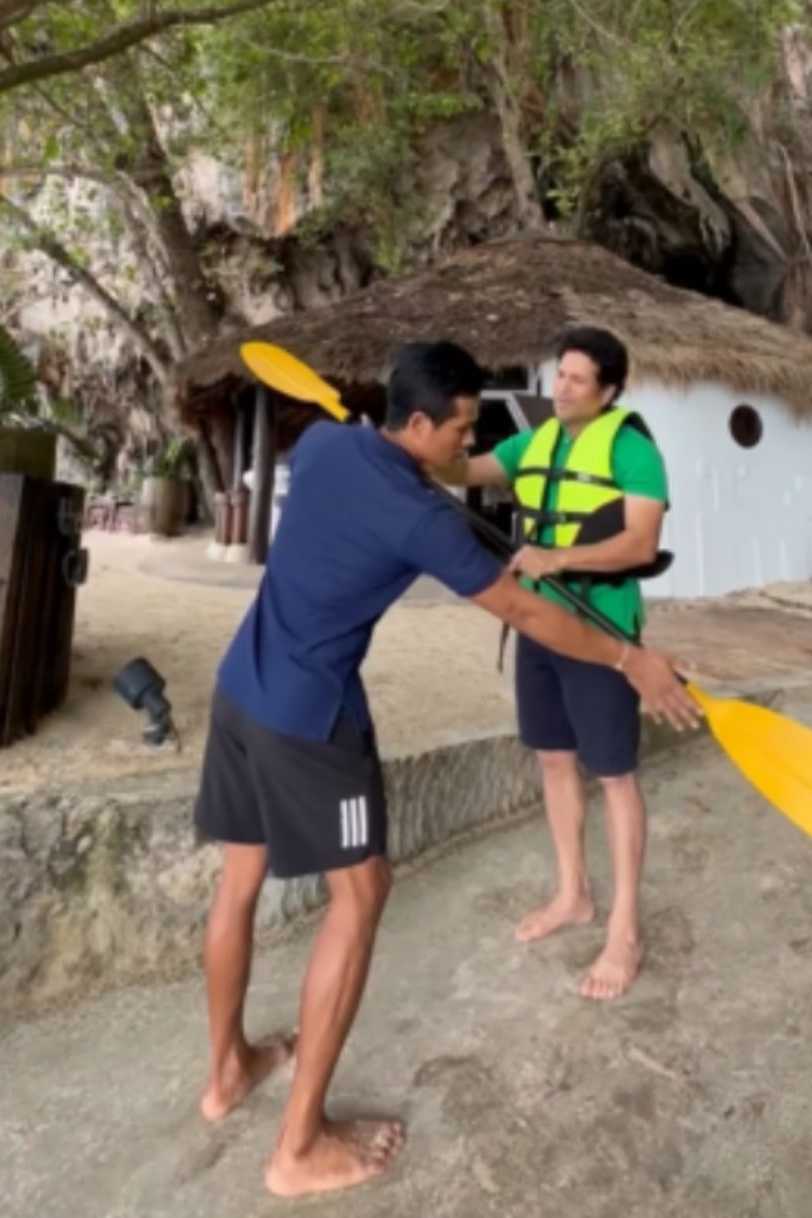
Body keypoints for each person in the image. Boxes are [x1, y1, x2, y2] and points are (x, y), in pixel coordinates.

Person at [194, 340, 701, 1198]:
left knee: (237, 883)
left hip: (241, 688)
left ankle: (227, 1074)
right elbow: (524, 613)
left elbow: (435, 489)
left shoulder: (324, 442)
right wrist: (631, 661)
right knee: (362, 895)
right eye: (461, 428)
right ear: (420, 422)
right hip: (313, 720)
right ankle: (298, 1147)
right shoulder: (421, 519)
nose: (468, 449)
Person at [434, 327, 669, 1000]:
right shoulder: (531, 441)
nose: (560, 386)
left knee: (617, 776)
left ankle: (624, 928)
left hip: (599, 627)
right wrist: (411, 445)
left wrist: (557, 558)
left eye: (575, 378)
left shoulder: (633, 449)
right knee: (554, 758)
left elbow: (640, 542)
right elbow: (463, 470)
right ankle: (574, 894)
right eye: (557, 374)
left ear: (610, 390)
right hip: (537, 623)